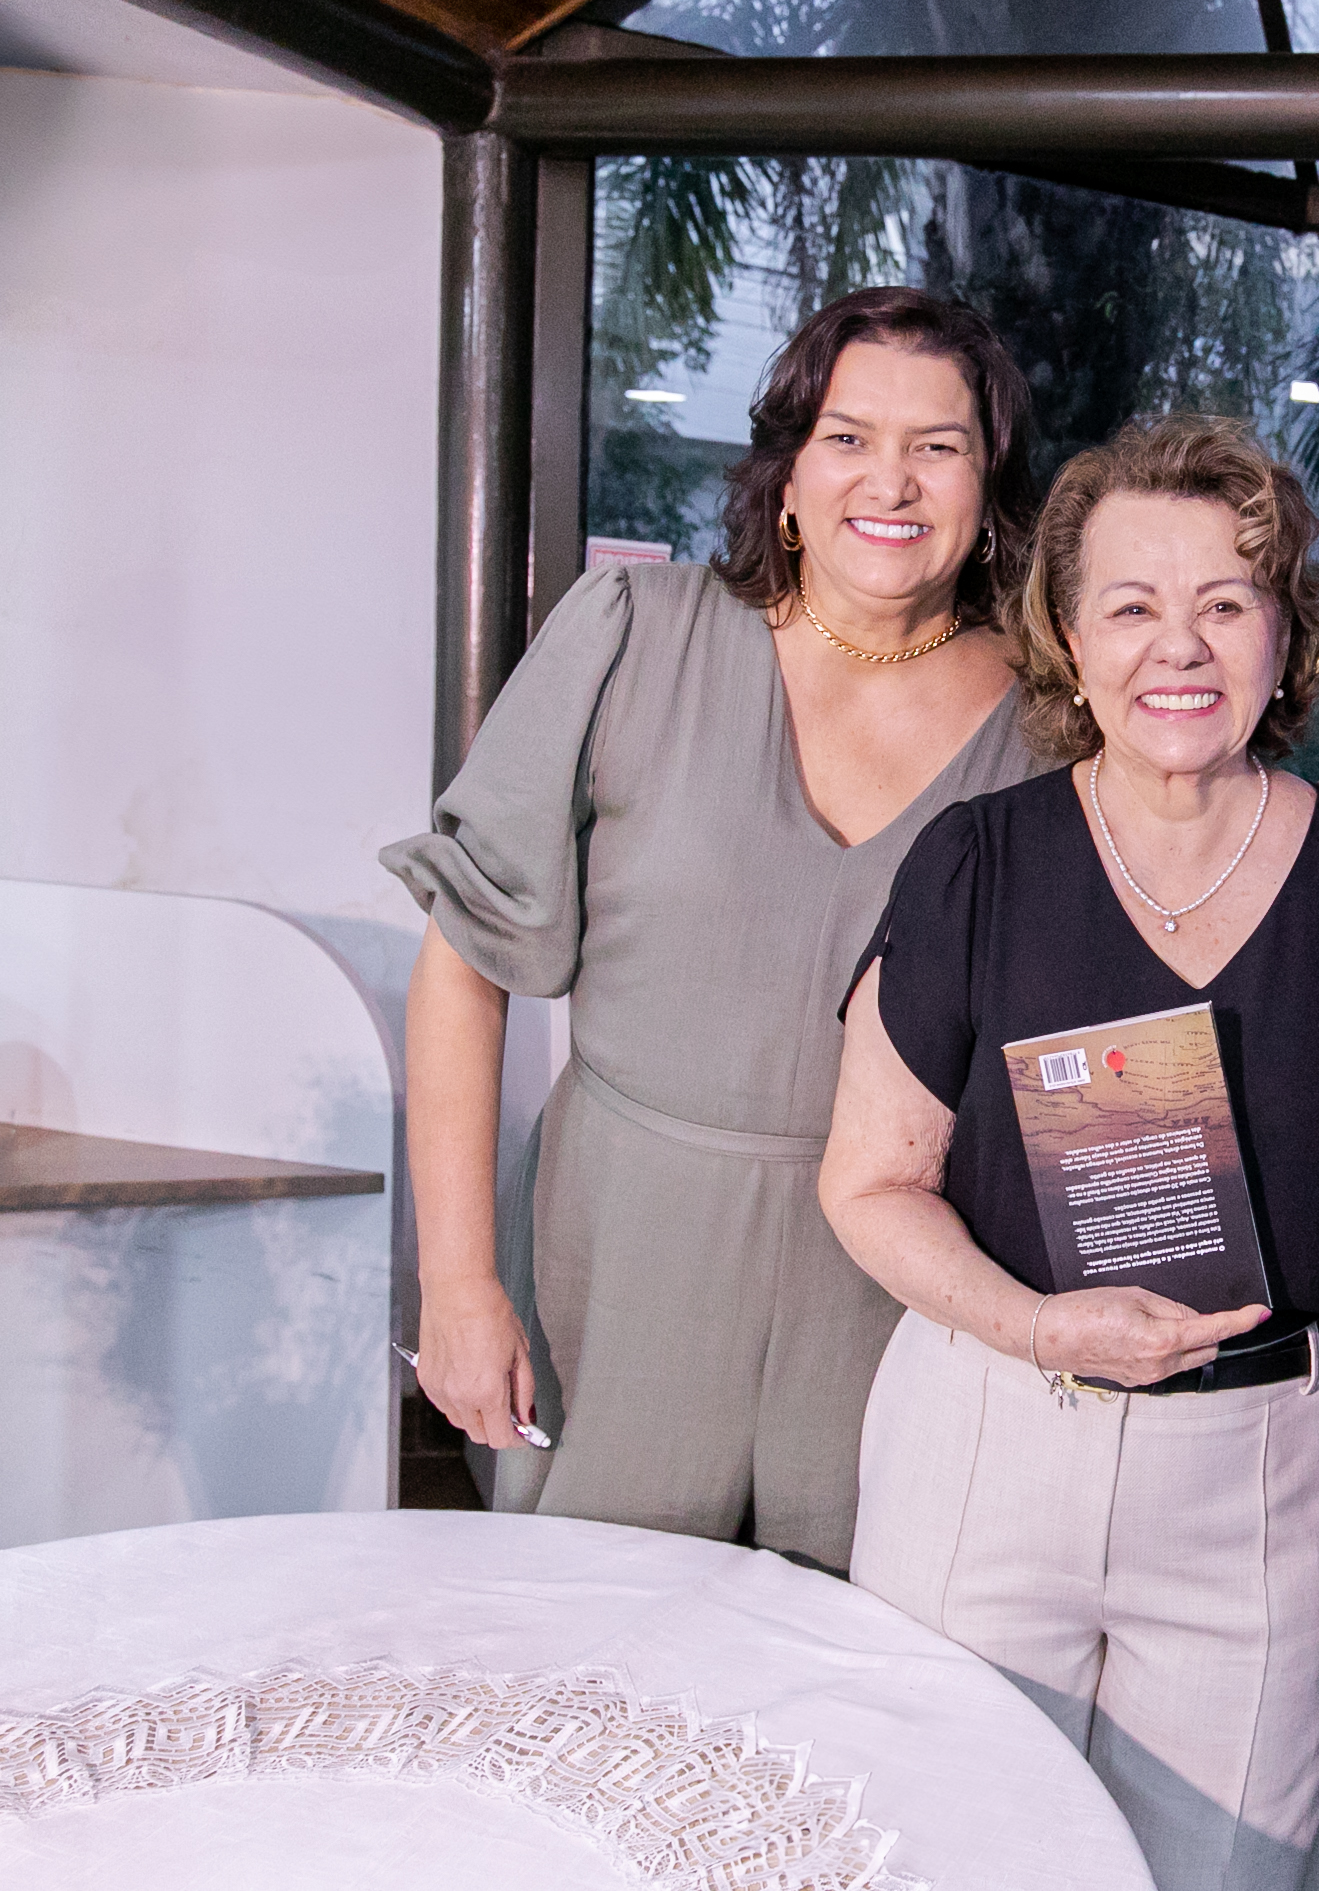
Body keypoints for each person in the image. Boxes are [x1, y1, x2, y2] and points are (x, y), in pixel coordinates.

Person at [382, 287, 1046, 1570]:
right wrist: (457, 1285)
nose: (890, 481)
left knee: (857, 1661)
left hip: (892, 1291)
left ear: (988, 490)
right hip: (616, 1260)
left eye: (939, 445)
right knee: (587, 1647)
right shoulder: (634, 635)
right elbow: (463, 965)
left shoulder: (1049, 728)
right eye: (848, 437)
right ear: (787, 476)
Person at [819, 415, 1319, 1891]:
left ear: (1284, 630)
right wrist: (1034, 1323)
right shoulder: (977, 860)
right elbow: (867, 1182)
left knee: (1232, 1872)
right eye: (1131, 605)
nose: (1176, 646)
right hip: (991, 1434)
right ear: (1069, 638)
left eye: (1226, 602)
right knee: (947, 1856)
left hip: (1261, 1475)